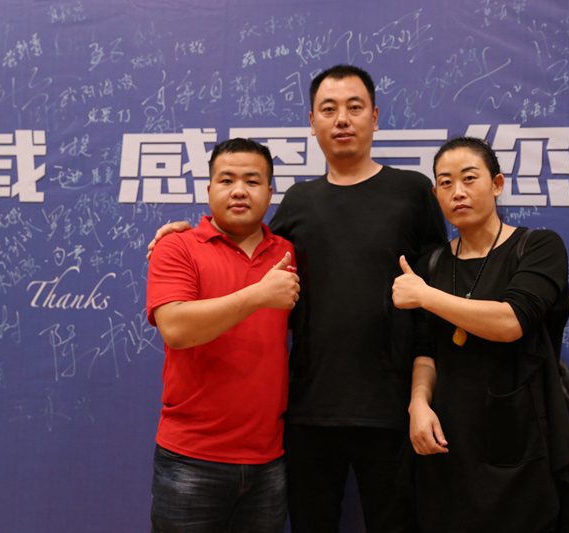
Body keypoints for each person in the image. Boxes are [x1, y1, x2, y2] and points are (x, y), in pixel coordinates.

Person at [148, 65, 447, 532]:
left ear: (375, 117)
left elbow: (435, 293)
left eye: (354, 107)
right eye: (329, 109)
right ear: (312, 122)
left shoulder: (411, 192)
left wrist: (421, 396)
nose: (342, 119)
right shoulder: (299, 203)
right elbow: (244, 239)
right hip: (307, 414)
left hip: (392, 410)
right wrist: (178, 235)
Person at [392, 137, 569, 532]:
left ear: (496, 184)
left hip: (521, 436)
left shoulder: (538, 246)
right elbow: (426, 351)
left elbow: (511, 322)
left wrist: (426, 296)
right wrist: (418, 404)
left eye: (469, 178)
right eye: (445, 183)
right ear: (436, 195)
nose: (457, 192)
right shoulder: (432, 263)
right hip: (447, 439)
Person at [146, 138, 300, 533]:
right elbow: (176, 329)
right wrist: (258, 295)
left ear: (270, 192)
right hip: (191, 458)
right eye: (226, 180)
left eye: (252, 181)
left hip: (269, 460)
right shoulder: (176, 247)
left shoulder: (286, 252)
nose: (239, 191)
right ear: (209, 188)